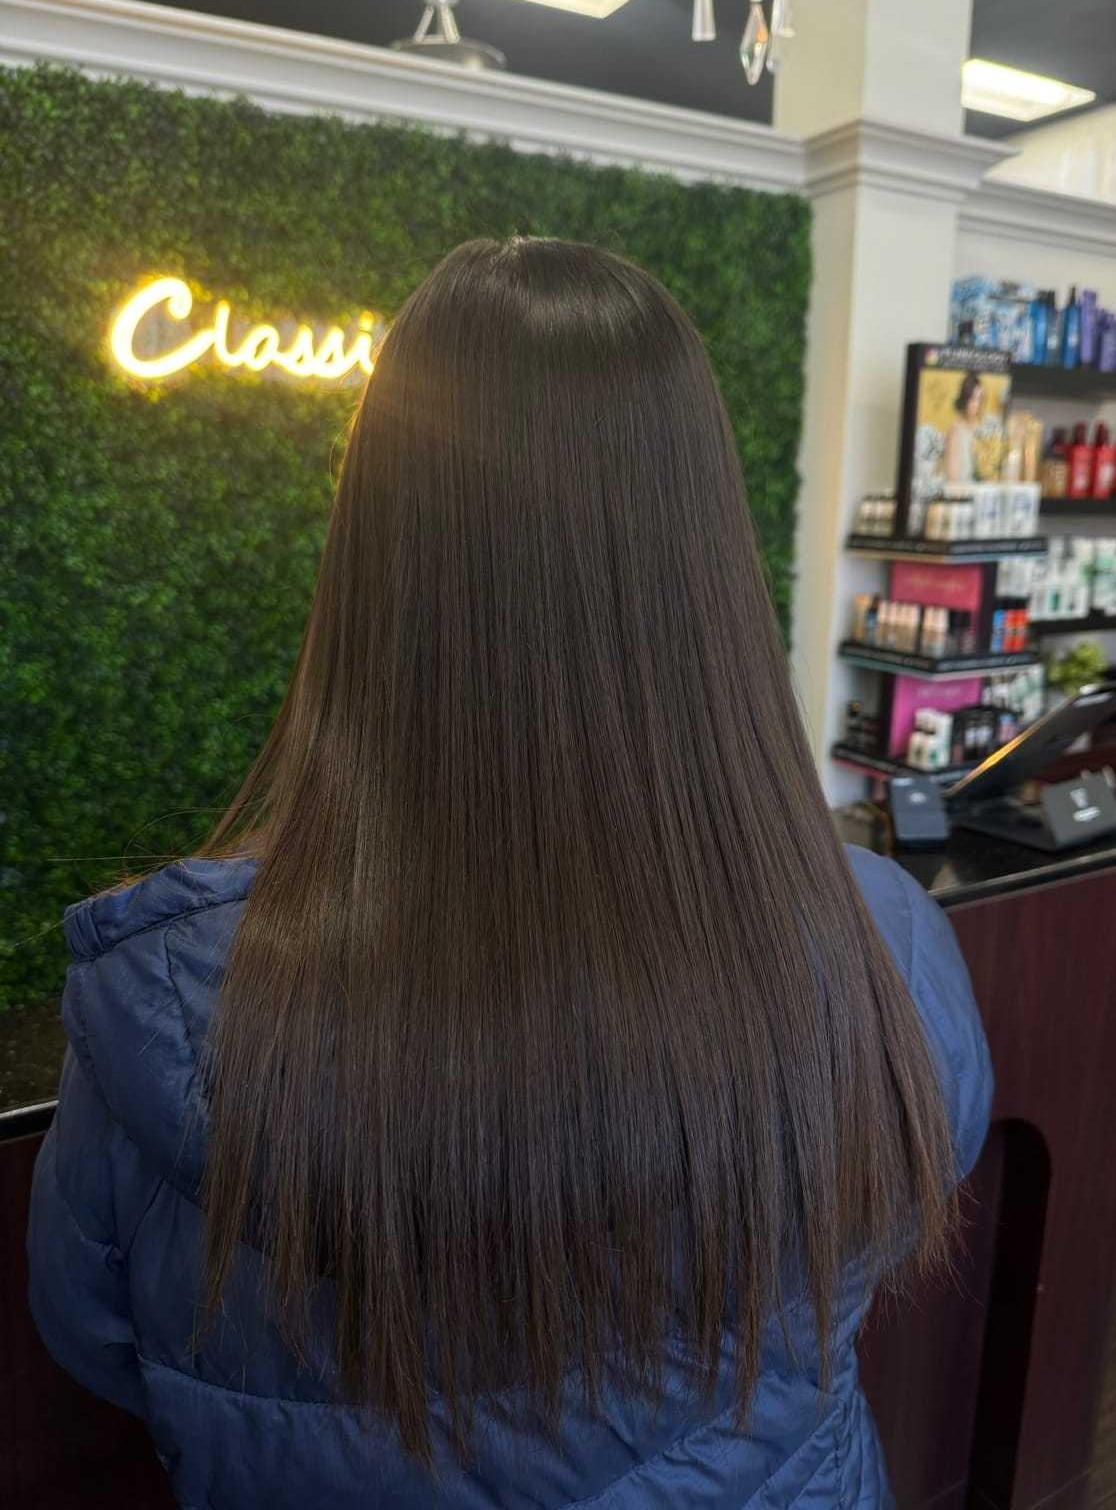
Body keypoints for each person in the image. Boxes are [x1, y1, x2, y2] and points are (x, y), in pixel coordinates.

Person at [27, 238, 991, 1509]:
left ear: (376, 551)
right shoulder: (878, 940)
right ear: (704, 549)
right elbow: (921, 1172)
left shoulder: (181, 1011)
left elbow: (90, 1335)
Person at [944, 370, 984, 483]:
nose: (977, 405)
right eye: (973, 399)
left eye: (980, 399)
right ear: (964, 399)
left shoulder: (981, 429)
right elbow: (952, 477)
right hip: (961, 494)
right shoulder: (955, 431)